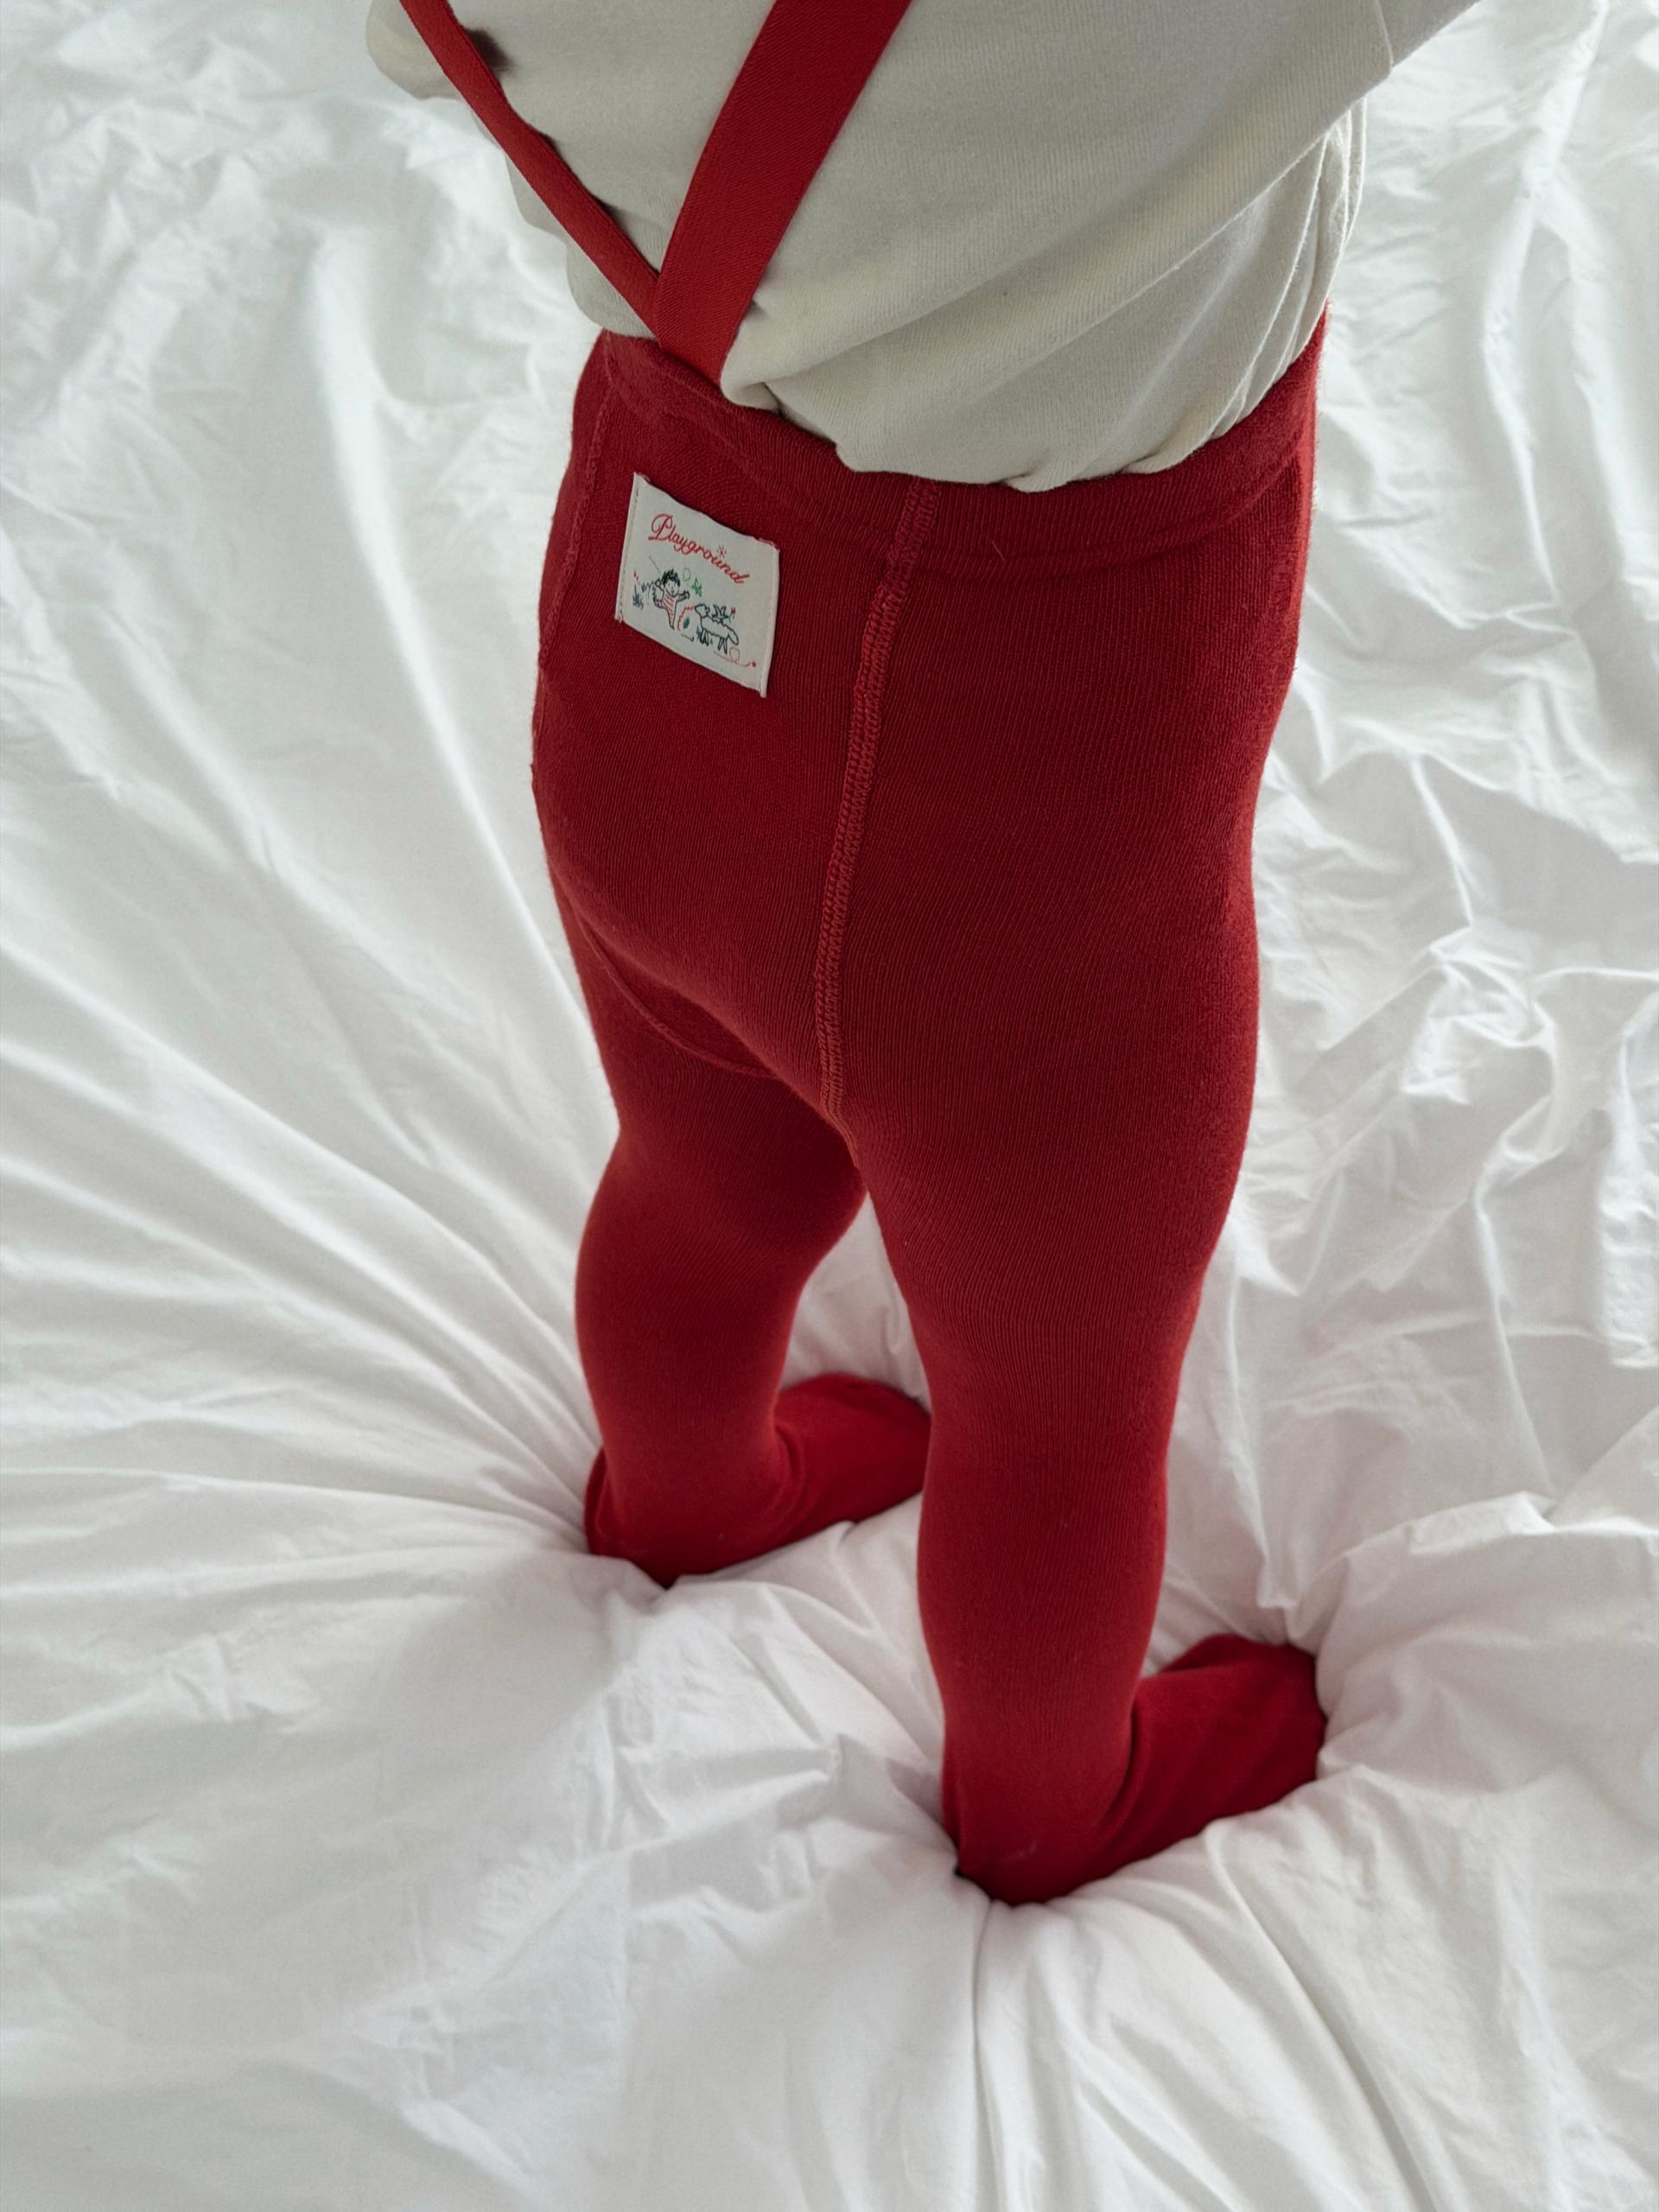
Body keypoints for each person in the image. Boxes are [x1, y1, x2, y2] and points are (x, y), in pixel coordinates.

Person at [365, 0, 1481, 1907]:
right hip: (1027, 852)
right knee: (1055, 1408)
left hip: (650, 643)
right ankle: (1050, 1803)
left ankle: (684, 1497)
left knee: (697, 1176)